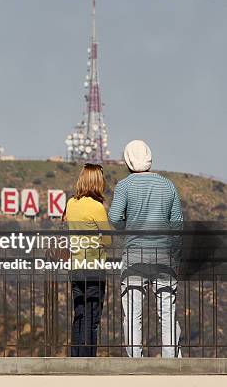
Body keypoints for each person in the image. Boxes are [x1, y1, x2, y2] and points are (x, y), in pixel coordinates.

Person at [109, 140, 183, 358]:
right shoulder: (168, 185)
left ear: (128, 159)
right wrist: (176, 257)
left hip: (134, 255)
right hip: (164, 256)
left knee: (132, 311)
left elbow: (113, 217)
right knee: (167, 311)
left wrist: (127, 229)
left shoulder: (124, 185)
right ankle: (170, 358)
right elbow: (177, 224)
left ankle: (135, 360)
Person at [63, 163, 112, 357]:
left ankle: (76, 357)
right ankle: (88, 359)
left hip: (76, 266)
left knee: (80, 314)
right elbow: (107, 240)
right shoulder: (97, 207)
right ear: (98, 182)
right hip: (94, 267)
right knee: (92, 317)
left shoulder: (70, 203)